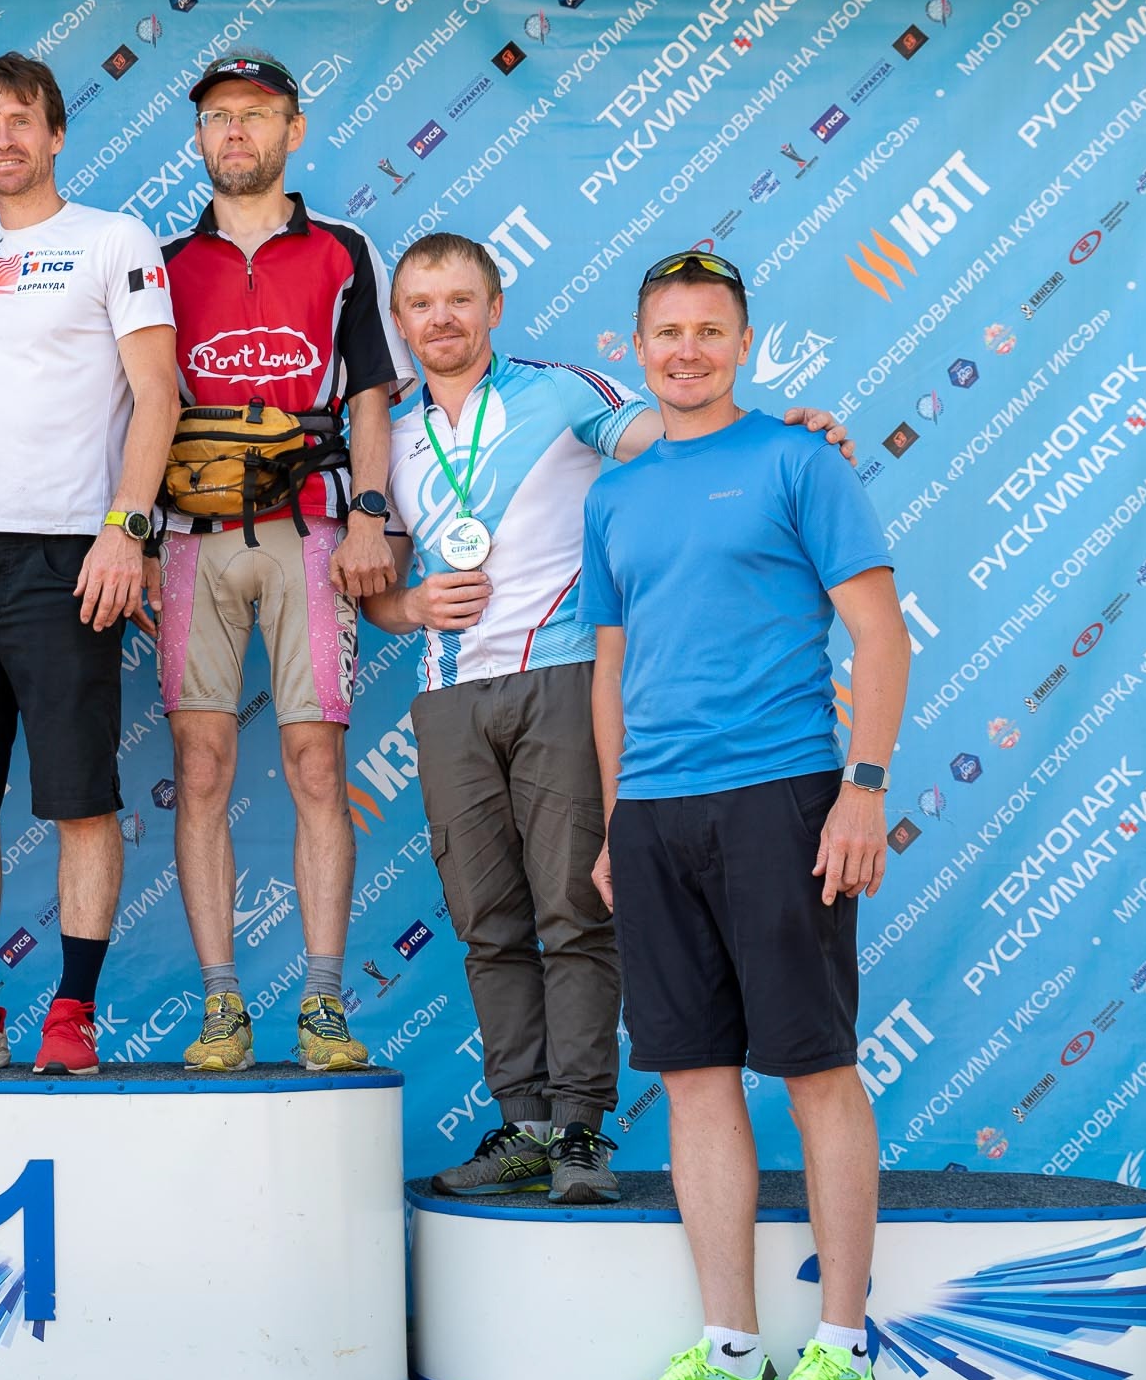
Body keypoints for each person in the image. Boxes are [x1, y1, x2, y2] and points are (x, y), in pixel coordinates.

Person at [359, 234, 849, 1203]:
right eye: (420, 303)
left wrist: (790, 438)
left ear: (494, 309)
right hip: (449, 695)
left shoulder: (558, 391)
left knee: (575, 912)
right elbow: (372, 582)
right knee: (487, 924)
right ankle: (525, 1127)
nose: (441, 318)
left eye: (460, 299)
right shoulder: (388, 434)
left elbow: (678, 436)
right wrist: (408, 605)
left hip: (565, 675)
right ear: (401, 321)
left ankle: (581, 1130)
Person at [590, 249, 903, 1380]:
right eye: (667, 332)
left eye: (709, 331)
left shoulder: (799, 460)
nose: (687, 350)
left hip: (784, 795)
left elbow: (880, 635)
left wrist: (862, 788)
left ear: (745, 345)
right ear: (637, 349)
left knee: (816, 1069)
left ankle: (844, 1355)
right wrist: (615, 822)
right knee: (692, 1076)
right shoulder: (614, 495)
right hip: (654, 817)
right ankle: (729, 1349)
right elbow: (611, 669)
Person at [0, 51, 178, 1075]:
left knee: (78, 795)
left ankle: (73, 1013)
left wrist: (127, 529)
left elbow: (159, 395)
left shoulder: (112, 238)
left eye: (22, 119)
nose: (4, 137)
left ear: (56, 133)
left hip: (75, 553)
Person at [153, 52, 407, 1073]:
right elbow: (138, 410)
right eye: (218, 115)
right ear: (199, 135)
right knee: (200, 768)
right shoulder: (162, 260)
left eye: (256, 114)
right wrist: (135, 536)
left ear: (293, 130)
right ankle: (222, 1005)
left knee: (315, 765)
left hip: (312, 527)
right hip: (192, 535)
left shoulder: (345, 249)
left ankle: (324, 1003)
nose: (236, 131)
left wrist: (372, 516)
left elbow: (372, 397)